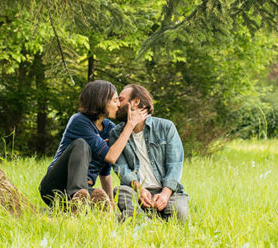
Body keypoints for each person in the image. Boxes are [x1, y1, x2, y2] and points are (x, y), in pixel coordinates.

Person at [39, 80, 149, 211]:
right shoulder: (79, 121)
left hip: (86, 189)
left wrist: (111, 201)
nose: (118, 105)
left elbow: (105, 172)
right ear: (101, 102)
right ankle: (77, 196)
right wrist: (130, 124)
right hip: (55, 185)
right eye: (115, 100)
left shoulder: (109, 128)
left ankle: (76, 205)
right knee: (81, 144)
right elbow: (111, 156)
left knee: (100, 198)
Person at [109, 83, 189, 223]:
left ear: (135, 102)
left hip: (167, 192)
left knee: (180, 216)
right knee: (121, 192)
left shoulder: (165, 127)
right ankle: (146, 221)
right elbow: (121, 169)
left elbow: (175, 164)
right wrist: (140, 190)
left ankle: (141, 219)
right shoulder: (116, 134)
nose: (117, 104)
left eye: (120, 99)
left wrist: (165, 194)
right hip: (136, 192)